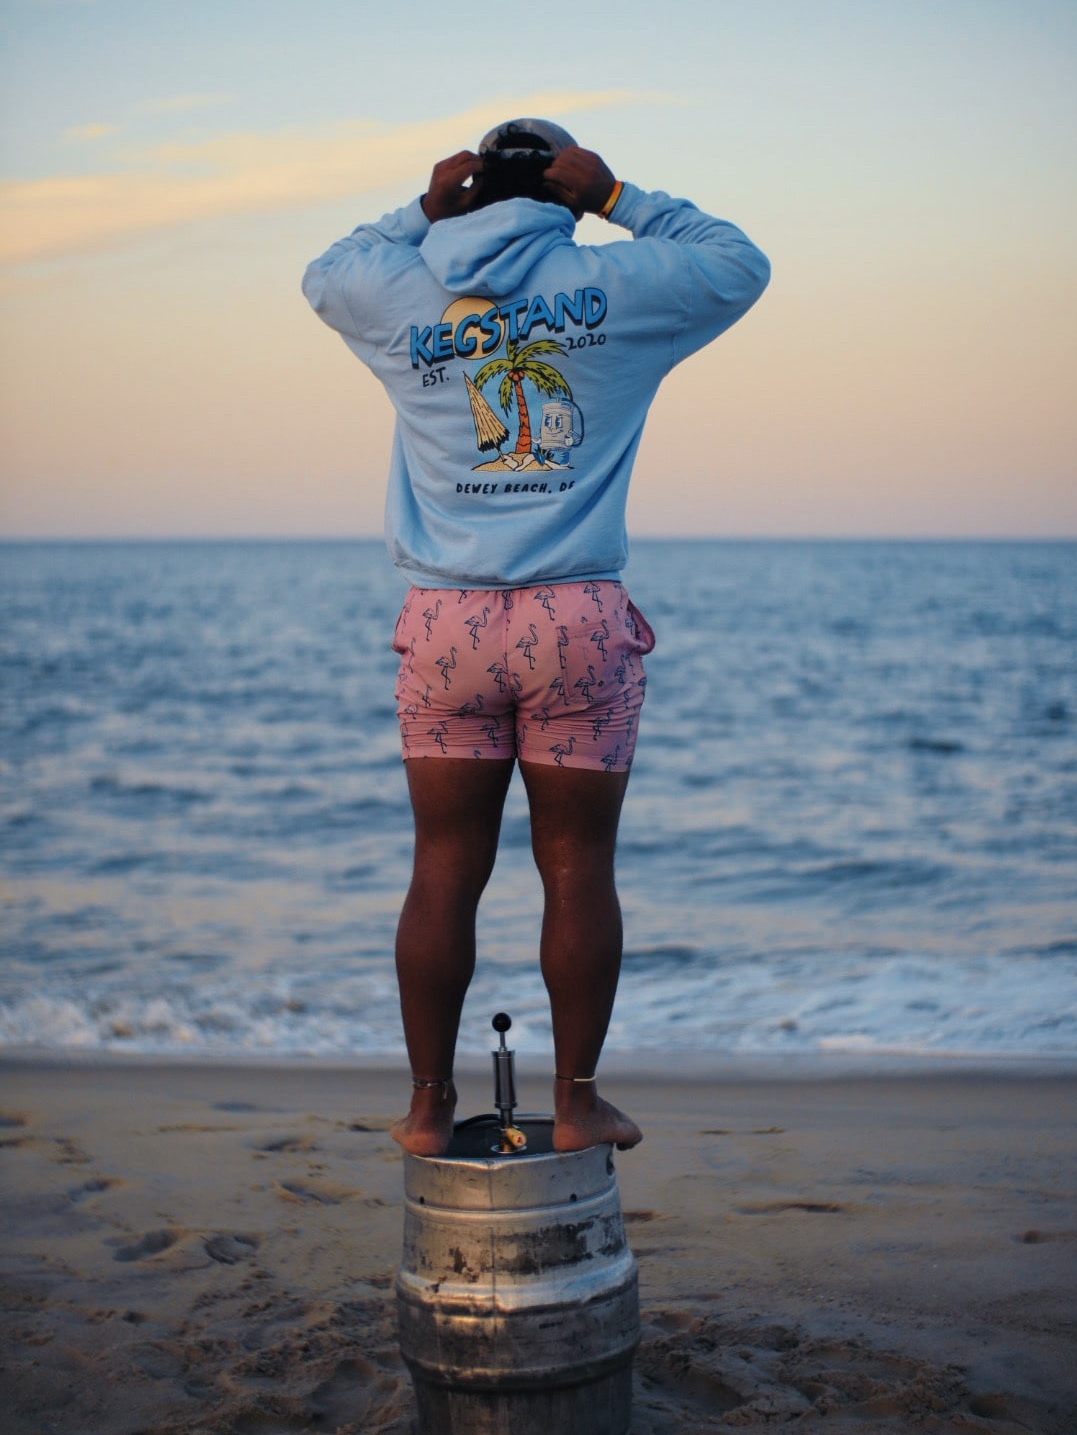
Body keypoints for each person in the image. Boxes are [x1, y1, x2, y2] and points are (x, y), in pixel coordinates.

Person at [302, 119, 769, 1156]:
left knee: (442, 865)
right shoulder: (624, 287)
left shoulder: (404, 286)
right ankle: (575, 1101)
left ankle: (427, 1107)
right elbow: (740, 263)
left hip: (446, 620)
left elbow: (325, 272)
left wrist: (425, 210)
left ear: (472, 189)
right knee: (578, 867)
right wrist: (619, 199)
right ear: (566, 187)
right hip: (576, 619)